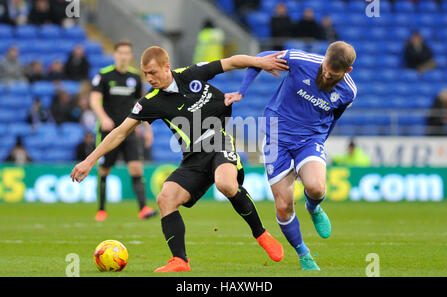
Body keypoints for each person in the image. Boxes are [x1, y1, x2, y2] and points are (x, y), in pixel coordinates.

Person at [71, 45, 289, 273]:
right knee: (165, 198)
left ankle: (261, 234)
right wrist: (90, 160)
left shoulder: (191, 74)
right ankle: (180, 261)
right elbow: (120, 131)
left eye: (153, 72)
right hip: (193, 157)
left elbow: (232, 61)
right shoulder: (150, 101)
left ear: (167, 67)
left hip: (218, 141)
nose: (149, 78)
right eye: (145, 73)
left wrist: (259, 62)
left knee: (226, 184)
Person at [226, 41, 358, 270]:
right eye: (325, 67)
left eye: (333, 74)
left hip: (310, 139)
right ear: (324, 57)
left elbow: (334, 117)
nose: (326, 74)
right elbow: (261, 58)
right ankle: (303, 254)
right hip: (276, 134)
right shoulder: (300, 61)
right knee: (284, 205)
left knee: (316, 187)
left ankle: (313, 208)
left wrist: (320, 142)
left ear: (347, 71)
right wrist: (242, 91)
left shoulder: (348, 91)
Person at [89, 40, 157, 222]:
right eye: (121, 53)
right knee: (104, 169)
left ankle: (143, 209)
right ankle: (101, 209)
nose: (124, 56)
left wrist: (147, 128)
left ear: (130, 56)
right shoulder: (104, 75)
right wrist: (103, 118)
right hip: (108, 131)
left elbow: (142, 105)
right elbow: (94, 100)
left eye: (127, 53)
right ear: (115, 55)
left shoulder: (134, 77)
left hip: (129, 131)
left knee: (136, 168)